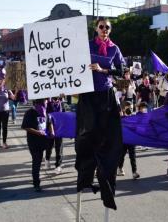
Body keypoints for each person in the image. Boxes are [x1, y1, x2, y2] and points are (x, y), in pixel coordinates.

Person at [75, 18, 125, 210]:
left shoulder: (114, 48)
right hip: (88, 95)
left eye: (108, 27)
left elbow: (120, 70)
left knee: (108, 138)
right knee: (86, 135)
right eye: (101, 27)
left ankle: (106, 179)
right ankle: (85, 177)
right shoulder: (86, 45)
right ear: (96, 28)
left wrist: (102, 69)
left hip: (106, 95)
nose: (104, 30)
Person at [21, 99, 52, 192]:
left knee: (39, 160)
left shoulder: (46, 112)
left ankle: (36, 178)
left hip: (43, 141)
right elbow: (25, 127)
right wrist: (37, 132)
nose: (47, 103)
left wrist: (52, 131)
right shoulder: (30, 112)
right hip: (33, 142)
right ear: (40, 103)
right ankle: (36, 183)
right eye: (45, 102)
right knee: (36, 161)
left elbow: (49, 123)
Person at [117, 101, 140, 179]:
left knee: (132, 157)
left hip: (132, 140)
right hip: (123, 141)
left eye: (131, 108)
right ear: (124, 108)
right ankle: (120, 168)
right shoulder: (121, 118)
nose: (129, 109)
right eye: (128, 108)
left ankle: (134, 172)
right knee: (121, 156)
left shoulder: (134, 117)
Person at [0, 75, 15, 149]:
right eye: (0, 80)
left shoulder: (7, 89)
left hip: (5, 111)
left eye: (2, 80)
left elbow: (13, 97)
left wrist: (17, 90)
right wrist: (1, 85)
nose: (2, 81)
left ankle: (4, 143)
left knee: (4, 127)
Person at [45, 97, 64, 174]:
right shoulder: (48, 103)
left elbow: (64, 115)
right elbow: (48, 117)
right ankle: (47, 159)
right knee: (49, 146)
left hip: (59, 129)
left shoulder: (61, 103)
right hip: (50, 128)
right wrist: (51, 129)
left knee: (59, 147)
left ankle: (58, 165)